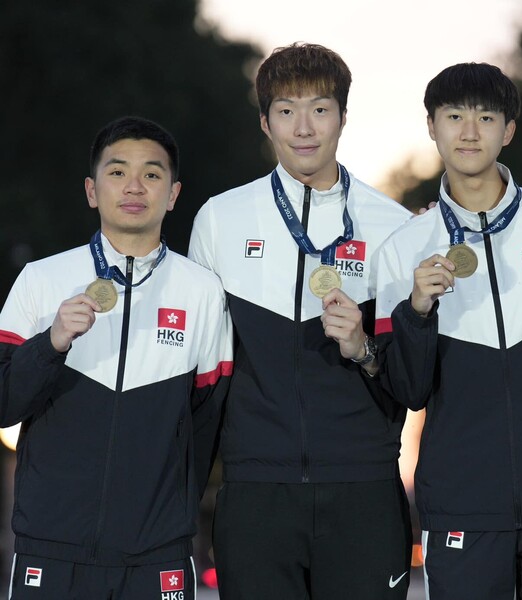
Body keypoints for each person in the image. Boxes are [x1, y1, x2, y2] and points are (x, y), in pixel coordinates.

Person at [188, 42, 413, 599]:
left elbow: (415, 374)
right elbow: (198, 371)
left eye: (320, 108)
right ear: (266, 122)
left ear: (343, 116)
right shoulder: (221, 219)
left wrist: (363, 348)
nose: (304, 126)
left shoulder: (393, 226)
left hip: (363, 489)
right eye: (287, 110)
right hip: (255, 491)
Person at [374, 62, 522, 600]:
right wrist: (417, 310)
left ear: (509, 130)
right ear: (432, 126)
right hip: (462, 506)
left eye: (486, 117)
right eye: (454, 116)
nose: (469, 132)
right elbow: (406, 389)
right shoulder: (403, 249)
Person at [0, 116, 233, 599]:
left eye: (151, 174)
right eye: (117, 171)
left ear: (172, 194)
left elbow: (207, 423)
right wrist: (52, 342)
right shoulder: (41, 280)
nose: (133, 186)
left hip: (157, 553)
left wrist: (173, 512)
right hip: (51, 547)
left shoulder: (202, 291)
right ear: (91, 189)